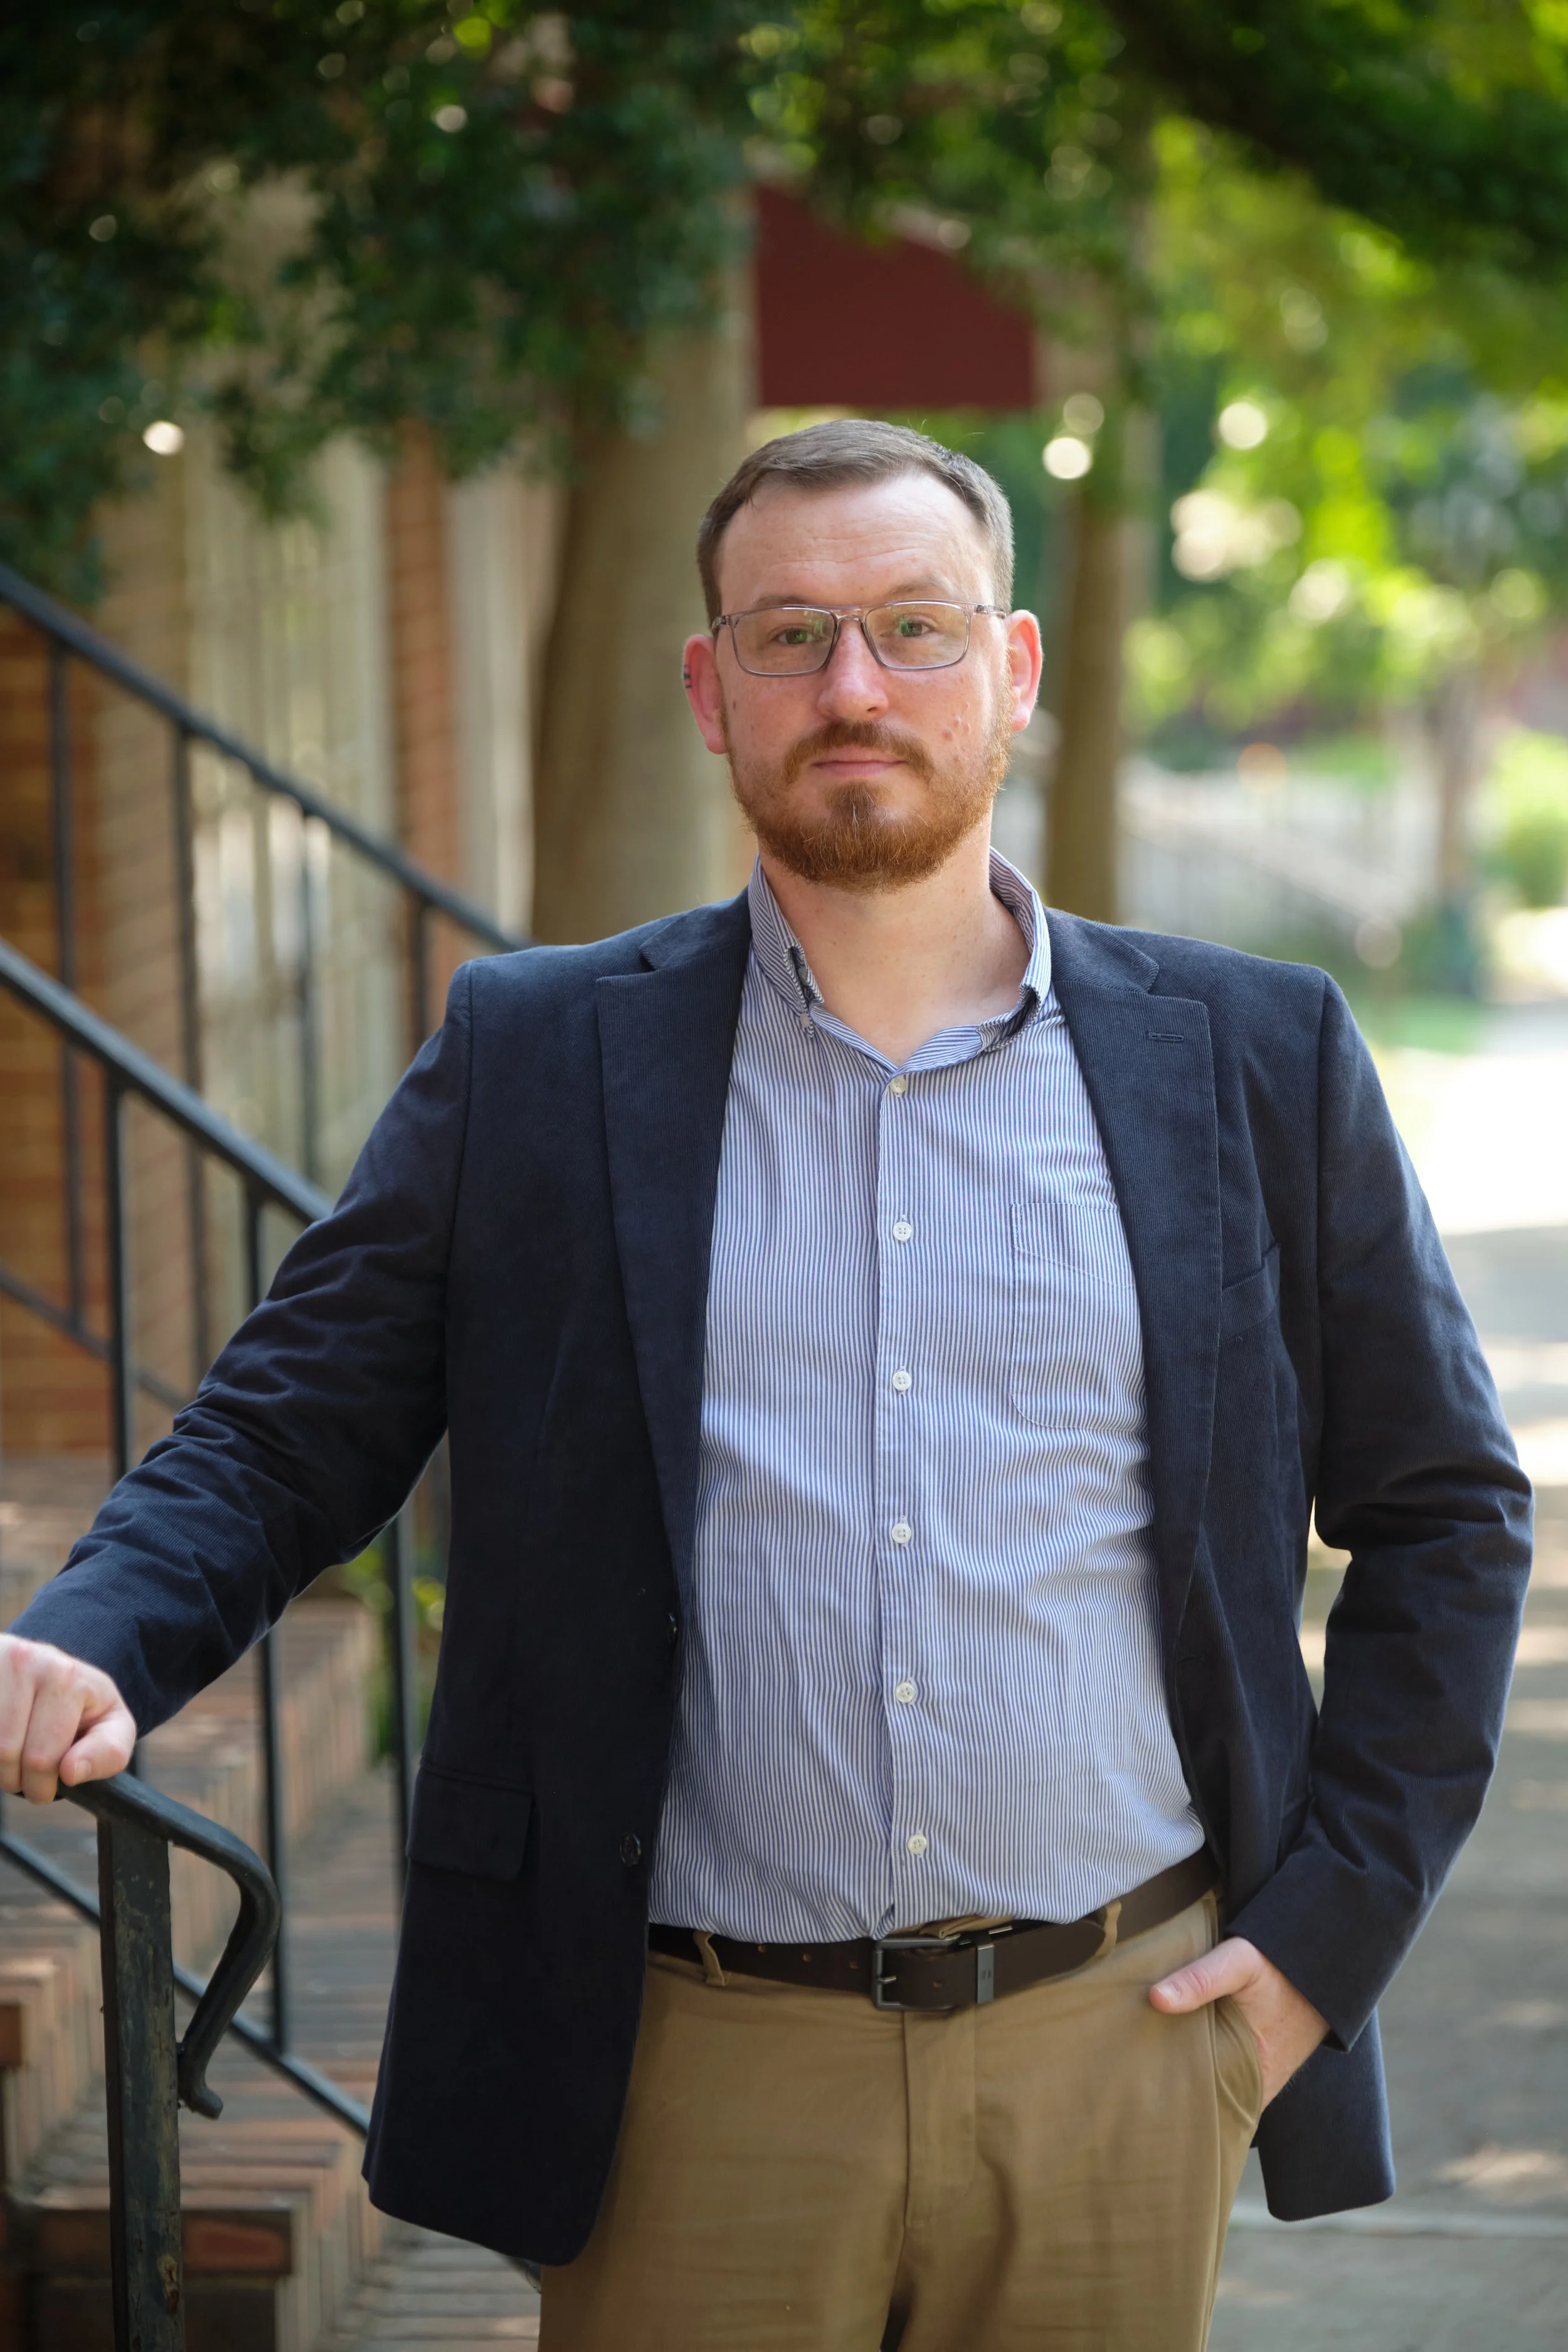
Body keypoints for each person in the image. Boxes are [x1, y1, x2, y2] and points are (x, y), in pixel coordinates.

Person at [0, 420, 1530, 2351]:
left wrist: (1318, 1946)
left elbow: (1446, 1513)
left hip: (1116, 2050)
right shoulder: (539, 1057)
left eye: (913, 625)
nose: (856, 686)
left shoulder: (1251, 1056)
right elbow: (287, 1420)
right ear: (709, 691)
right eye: (792, 634)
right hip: (688, 2067)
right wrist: (95, 1638)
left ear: (1016, 668)